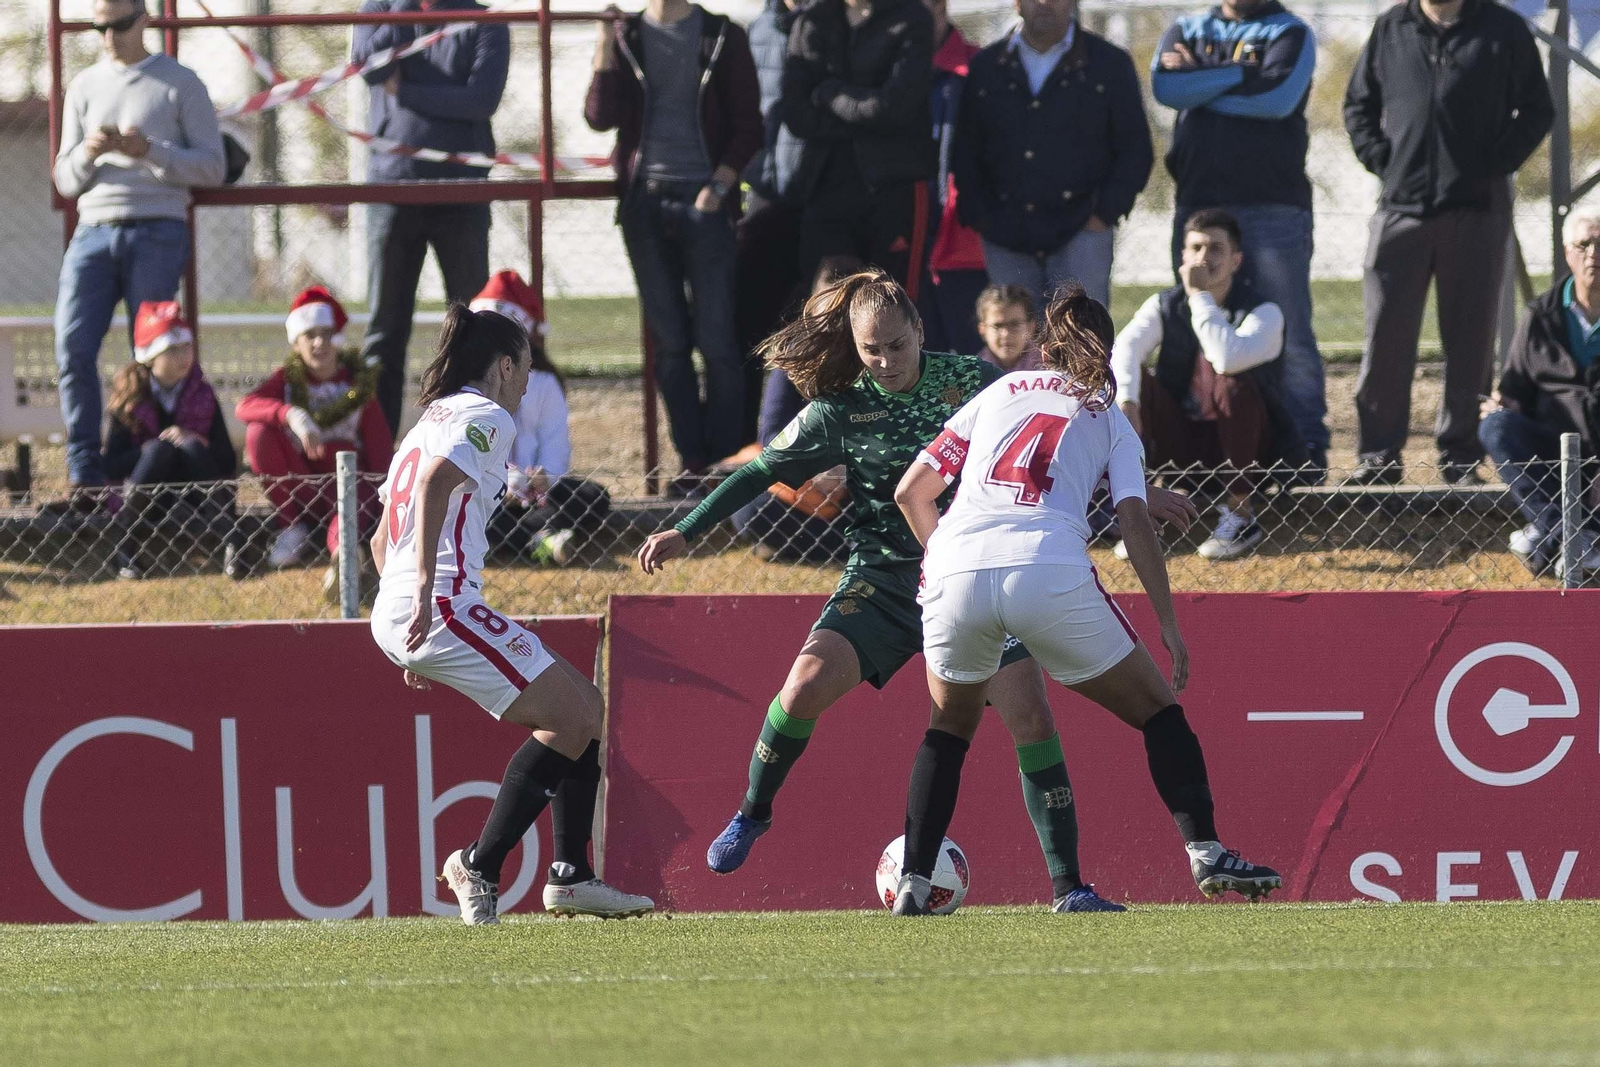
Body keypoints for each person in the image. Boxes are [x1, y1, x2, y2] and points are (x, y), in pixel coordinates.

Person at [638, 268, 1202, 912]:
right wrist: (686, 530)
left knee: (1032, 719)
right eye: (870, 350)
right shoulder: (837, 410)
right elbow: (759, 473)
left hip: (969, 576)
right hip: (882, 582)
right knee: (800, 690)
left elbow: (1045, 446)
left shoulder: (970, 380)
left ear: (921, 331)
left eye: (897, 346)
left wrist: (1141, 489)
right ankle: (753, 810)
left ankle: (1068, 886)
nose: (885, 362)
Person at [887, 282, 1282, 915]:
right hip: (1046, 569)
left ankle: (912, 880)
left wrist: (944, 567)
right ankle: (1205, 851)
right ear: (1103, 353)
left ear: (1045, 345)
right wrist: (1170, 626)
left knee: (949, 728)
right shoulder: (1107, 415)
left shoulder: (996, 394)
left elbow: (913, 491)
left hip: (954, 569)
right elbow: (1133, 521)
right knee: (1159, 712)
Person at [369, 304, 654, 925]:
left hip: (416, 606)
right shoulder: (488, 416)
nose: (529, 381)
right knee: (576, 713)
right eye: (525, 366)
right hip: (439, 601)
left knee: (586, 709)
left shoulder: (424, 424)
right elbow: (433, 488)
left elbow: (378, 538)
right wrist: (422, 596)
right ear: (503, 366)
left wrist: (403, 624)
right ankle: (480, 863)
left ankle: (572, 876)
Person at [1343, 0, 1553, 485]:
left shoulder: (1503, 29)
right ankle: (1378, 458)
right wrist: (1385, 162)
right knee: (1387, 338)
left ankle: (1460, 459)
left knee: (1471, 340)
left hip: (1477, 211)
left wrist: (1494, 165)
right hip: (1400, 209)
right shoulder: (1391, 28)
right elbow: (1358, 105)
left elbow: (1538, 109)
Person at [586, 0, 763, 495]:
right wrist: (604, 40)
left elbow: (750, 126)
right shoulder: (628, 36)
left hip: (706, 206)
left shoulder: (721, 34)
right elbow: (601, 115)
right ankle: (691, 463)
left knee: (717, 341)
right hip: (644, 207)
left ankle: (725, 465)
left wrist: (718, 189)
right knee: (671, 345)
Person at [52, 0, 225, 494]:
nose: (109, 36)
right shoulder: (84, 86)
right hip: (94, 229)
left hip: (158, 227)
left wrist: (149, 151)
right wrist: (88, 153)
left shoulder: (180, 82)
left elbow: (211, 166)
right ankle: (86, 472)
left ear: (144, 18)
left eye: (119, 24)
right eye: (99, 27)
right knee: (72, 346)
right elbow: (64, 179)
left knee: (150, 355)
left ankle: (147, 476)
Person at [1151, 0, 1328, 477]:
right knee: (1195, 320)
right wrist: (1241, 72)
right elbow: (1166, 88)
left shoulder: (1290, 32)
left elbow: (1277, 101)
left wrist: (1202, 81)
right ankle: (1194, 448)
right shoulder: (1186, 27)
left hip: (1272, 204)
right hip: (1198, 201)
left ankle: (1305, 447)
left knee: (1287, 330)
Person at [352, 0, 510, 436]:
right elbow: (368, 68)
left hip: (462, 193)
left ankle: (471, 443)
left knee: (473, 327)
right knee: (385, 329)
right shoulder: (381, 8)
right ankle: (379, 456)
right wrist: (404, 10)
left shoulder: (485, 20)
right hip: (393, 190)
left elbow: (481, 100)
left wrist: (405, 93)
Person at [1110, 209, 1305, 562]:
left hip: (1249, 451)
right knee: (1134, 385)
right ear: (1183, 256)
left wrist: (1199, 297)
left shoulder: (1265, 311)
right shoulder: (1164, 305)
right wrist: (1129, 403)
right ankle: (1143, 517)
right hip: (1182, 444)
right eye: (1195, 248)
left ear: (1236, 260)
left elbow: (1226, 358)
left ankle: (1241, 515)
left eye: (1216, 249)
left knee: (1232, 383)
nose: (1204, 258)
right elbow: (1124, 348)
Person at [952, 0, 1152, 311]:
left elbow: (1135, 149)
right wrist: (981, 217)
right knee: (1015, 351)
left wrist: (1103, 214)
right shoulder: (986, 66)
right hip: (1005, 237)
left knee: (1082, 343)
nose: (1044, 3)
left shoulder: (1109, 64)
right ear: (1017, 3)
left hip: (1082, 233)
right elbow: (964, 151)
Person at [237, 287, 394, 596]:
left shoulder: (358, 385)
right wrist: (291, 414)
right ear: (296, 344)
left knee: (348, 510)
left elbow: (380, 450)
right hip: (302, 482)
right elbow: (245, 406)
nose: (320, 343)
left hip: (350, 484)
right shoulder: (285, 381)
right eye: (310, 336)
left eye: (326, 334)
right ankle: (292, 526)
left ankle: (344, 560)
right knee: (258, 432)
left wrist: (386, 502)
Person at [782, 0, 937, 294]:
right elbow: (796, 114)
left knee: (894, 303)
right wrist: (865, 114)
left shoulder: (912, 17)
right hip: (826, 185)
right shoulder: (811, 21)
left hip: (894, 186)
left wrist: (828, 93)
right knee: (824, 310)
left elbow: (895, 108)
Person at [1480, 212, 1600, 577]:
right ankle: (1570, 535)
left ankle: (1546, 538)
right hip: (1557, 455)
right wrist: (1498, 408)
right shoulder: (1539, 315)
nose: (1593, 254)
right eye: (1584, 245)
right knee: (1496, 427)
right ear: (1569, 253)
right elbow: (1515, 391)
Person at [472, 270, 612, 566]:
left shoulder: (544, 382)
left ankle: (513, 539)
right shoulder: (469, 381)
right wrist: (505, 482)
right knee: (472, 507)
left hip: (536, 491)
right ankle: (538, 539)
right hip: (486, 488)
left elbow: (555, 442)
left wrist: (545, 476)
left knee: (593, 496)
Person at [102, 301, 237, 580]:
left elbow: (227, 459)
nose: (184, 356)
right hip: (147, 496)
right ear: (150, 357)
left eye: (187, 347)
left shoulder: (204, 395)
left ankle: (233, 542)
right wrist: (149, 450)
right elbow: (112, 465)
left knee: (188, 447)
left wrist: (194, 438)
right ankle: (125, 545)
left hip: (197, 493)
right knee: (159, 450)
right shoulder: (130, 400)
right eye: (172, 349)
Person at [916, 0, 987, 357]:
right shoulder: (880, 69)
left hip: (964, 246)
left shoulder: (981, 67)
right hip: (903, 244)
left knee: (973, 365)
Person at [975, 284, 1043, 372]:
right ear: (983, 329)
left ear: (1031, 327)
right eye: (997, 326)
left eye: (1015, 324)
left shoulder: (1048, 368)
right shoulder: (974, 373)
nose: (1006, 334)